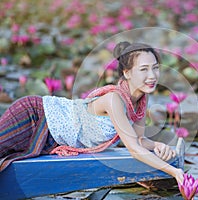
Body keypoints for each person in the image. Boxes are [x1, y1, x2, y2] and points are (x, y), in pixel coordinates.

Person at [0, 41, 184, 184]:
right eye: (144, 69)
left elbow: (139, 140)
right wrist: (173, 171)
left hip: (50, 134)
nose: (152, 75)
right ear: (127, 73)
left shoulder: (141, 100)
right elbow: (134, 149)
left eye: (155, 68)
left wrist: (157, 145)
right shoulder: (115, 99)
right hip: (34, 115)